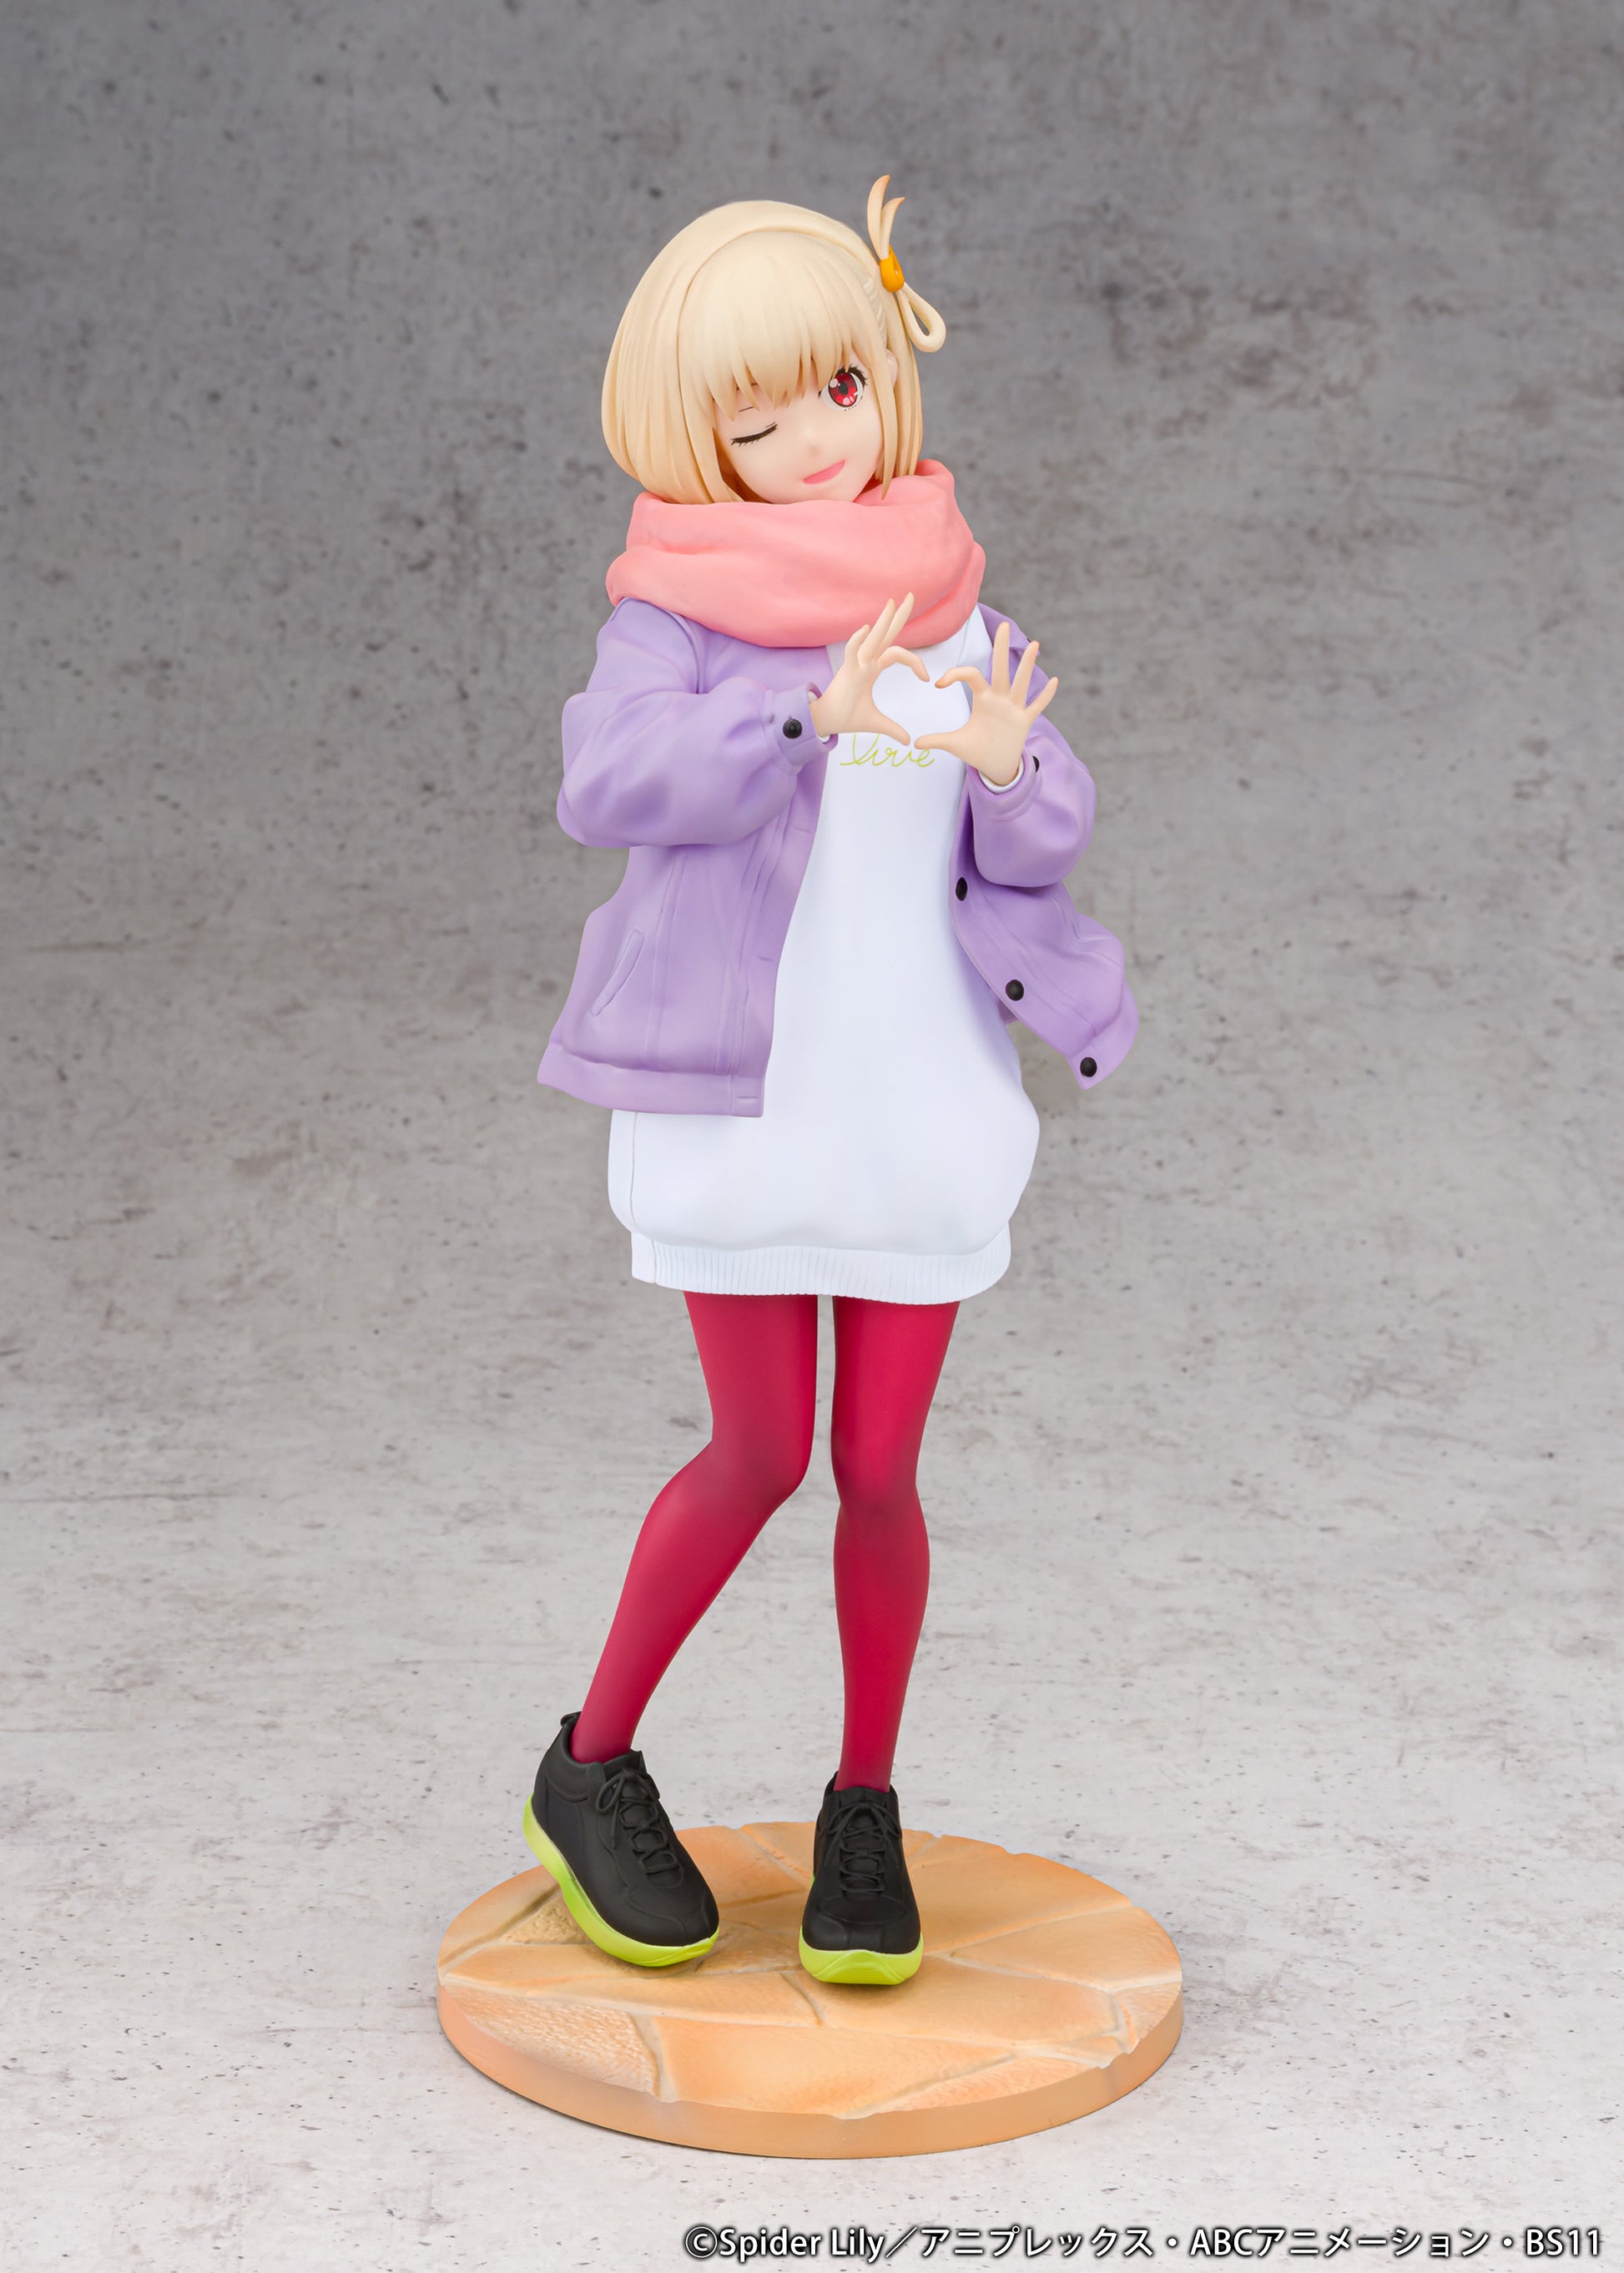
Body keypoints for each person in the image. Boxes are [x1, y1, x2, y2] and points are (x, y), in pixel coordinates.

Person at [525, 178, 1137, 1986]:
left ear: (889, 378)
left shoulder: (946, 600)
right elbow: (607, 783)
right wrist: (806, 711)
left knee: (879, 1463)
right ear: (689, 433)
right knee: (758, 1452)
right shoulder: (675, 613)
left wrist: (1009, 767)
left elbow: (1034, 846)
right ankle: (587, 1763)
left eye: (842, 391)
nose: (814, 441)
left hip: (909, 1094)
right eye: (759, 416)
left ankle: (862, 1807)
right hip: (746, 1098)